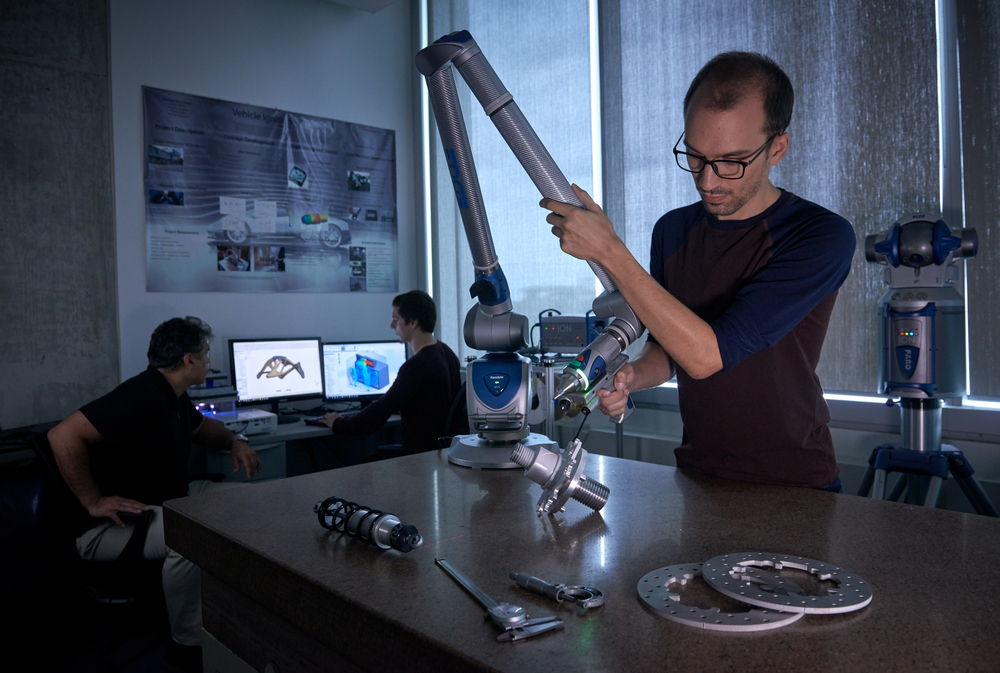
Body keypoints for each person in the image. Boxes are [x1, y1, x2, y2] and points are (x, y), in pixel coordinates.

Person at [541, 52, 855, 491]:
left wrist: (611, 252)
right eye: (694, 155)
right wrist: (632, 376)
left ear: (777, 149)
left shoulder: (820, 236)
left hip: (795, 484)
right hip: (698, 476)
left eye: (732, 161)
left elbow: (708, 356)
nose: (708, 180)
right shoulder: (673, 230)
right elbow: (671, 349)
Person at [48, 316, 261, 672]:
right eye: (206, 354)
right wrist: (93, 501)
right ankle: (187, 644)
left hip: (166, 501)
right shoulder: (140, 395)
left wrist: (236, 440)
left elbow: (202, 428)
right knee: (192, 536)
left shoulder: (170, 395)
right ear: (188, 360)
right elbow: (62, 436)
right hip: (110, 525)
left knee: (247, 503)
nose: (210, 361)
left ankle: (230, 614)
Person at [319, 290, 461, 450]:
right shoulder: (446, 352)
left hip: (422, 459)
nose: (392, 325)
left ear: (413, 322)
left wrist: (338, 422)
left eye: (396, 320)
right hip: (443, 452)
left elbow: (377, 416)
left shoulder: (417, 366)